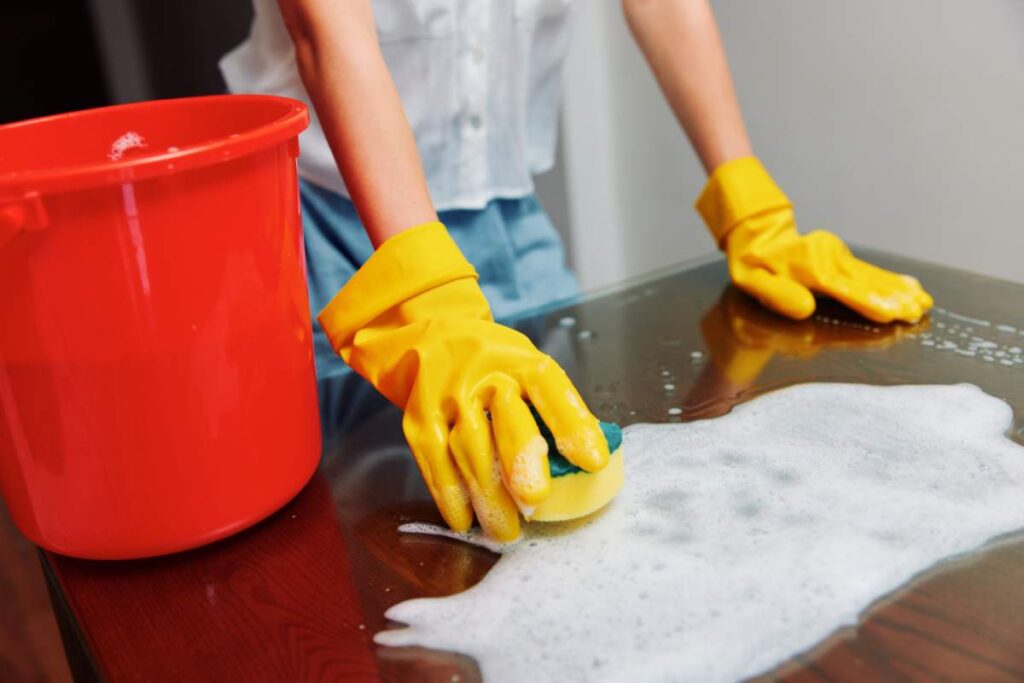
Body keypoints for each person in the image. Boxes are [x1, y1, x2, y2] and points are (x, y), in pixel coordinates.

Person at [220, 0, 933, 541]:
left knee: (566, 485)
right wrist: (425, 296)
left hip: (505, 212)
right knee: (351, 531)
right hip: (318, 229)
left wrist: (749, 205)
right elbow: (326, 29)